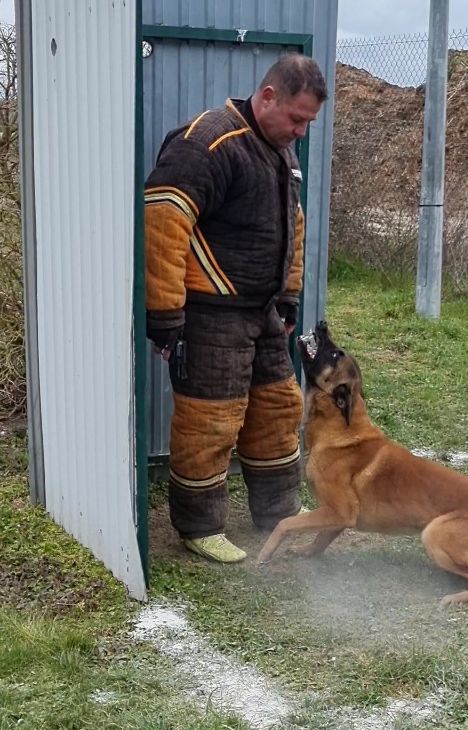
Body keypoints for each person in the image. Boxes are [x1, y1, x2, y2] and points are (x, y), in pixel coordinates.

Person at [144, 54, 328, 564]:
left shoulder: (279, 152)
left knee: (277, 410)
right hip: (210, 315)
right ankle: (199, 527)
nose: (299, 132)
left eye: (308, 123)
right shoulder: (208, 141)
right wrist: (163, 315)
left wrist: (289, 294)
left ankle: (278, 513)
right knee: (210, 422)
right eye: (296, 118)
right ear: (267, 96)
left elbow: (294, 226)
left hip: (263, 312)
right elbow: (163, 220)